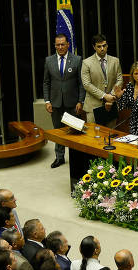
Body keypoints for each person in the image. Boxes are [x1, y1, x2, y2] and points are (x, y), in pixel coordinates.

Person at [42, 33, 85, 169]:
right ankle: (59, 158)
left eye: (62, 44)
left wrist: (80, 101)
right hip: (55, 103)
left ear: (68, 45)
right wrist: (47, 101)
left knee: (74, 132)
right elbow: (46, 83)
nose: (60, 47)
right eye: (57, 45)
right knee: (58, 132)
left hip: (73, 103)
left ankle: (76, 158)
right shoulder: (49, 61)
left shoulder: (77, 60)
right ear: (55, 45)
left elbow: (81, 83)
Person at [81, 34, 123, 126]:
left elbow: (119, 79)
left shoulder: (115, 61)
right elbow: (87, 84)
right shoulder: (86, 63)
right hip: (93, 106)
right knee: (93, 136)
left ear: (107, 45)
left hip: (111, 103)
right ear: (94, 47)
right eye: (99, 46)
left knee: (110, 135)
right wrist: (104, 96)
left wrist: (111, 95)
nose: (102, 48)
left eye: (104, 45)